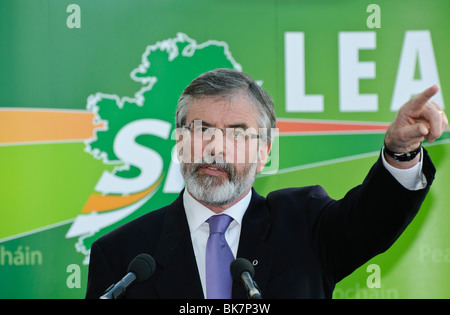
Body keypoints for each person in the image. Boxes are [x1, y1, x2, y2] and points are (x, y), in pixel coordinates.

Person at [85, 68, 447, 299]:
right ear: (180, 142)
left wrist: (400, 151)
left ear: (264, 152)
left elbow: (370, 221)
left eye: (237, 133)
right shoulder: (123, 255)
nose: (215, 147)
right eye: (201, 129)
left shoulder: (304, 224)